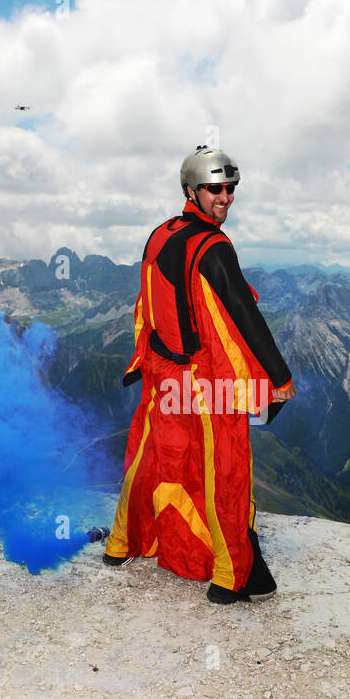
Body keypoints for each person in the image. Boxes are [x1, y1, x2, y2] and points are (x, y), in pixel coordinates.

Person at [102, 145, 296, 605]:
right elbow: (244, 313)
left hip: (164, 377)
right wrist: (280, 378)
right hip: (204, 384)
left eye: (230, 189)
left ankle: (122, 545)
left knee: (155, 460)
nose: (224, 198)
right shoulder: (215, 247)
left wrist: (146, 361)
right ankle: (230, 579)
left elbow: (146, 307)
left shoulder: (159, 234)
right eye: (214, 190)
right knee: (221, 471)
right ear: (192, 190)